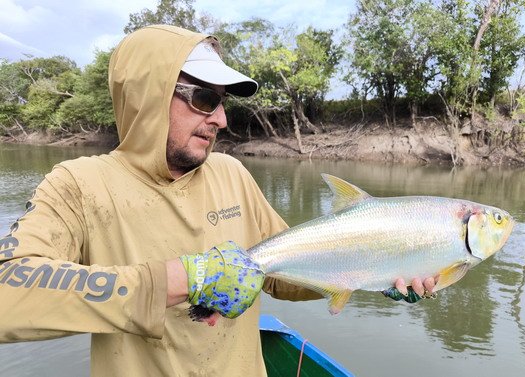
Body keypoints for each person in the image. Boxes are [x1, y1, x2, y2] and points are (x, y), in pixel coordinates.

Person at [0, 25, 435, 376]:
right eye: (204, 98)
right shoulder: (77, 184)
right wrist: (184, 278)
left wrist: (372, 269)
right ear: (147, 96)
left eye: (222, 102)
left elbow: (279, 276)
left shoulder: (231, 173)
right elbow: (7, 292)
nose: (221, 120)